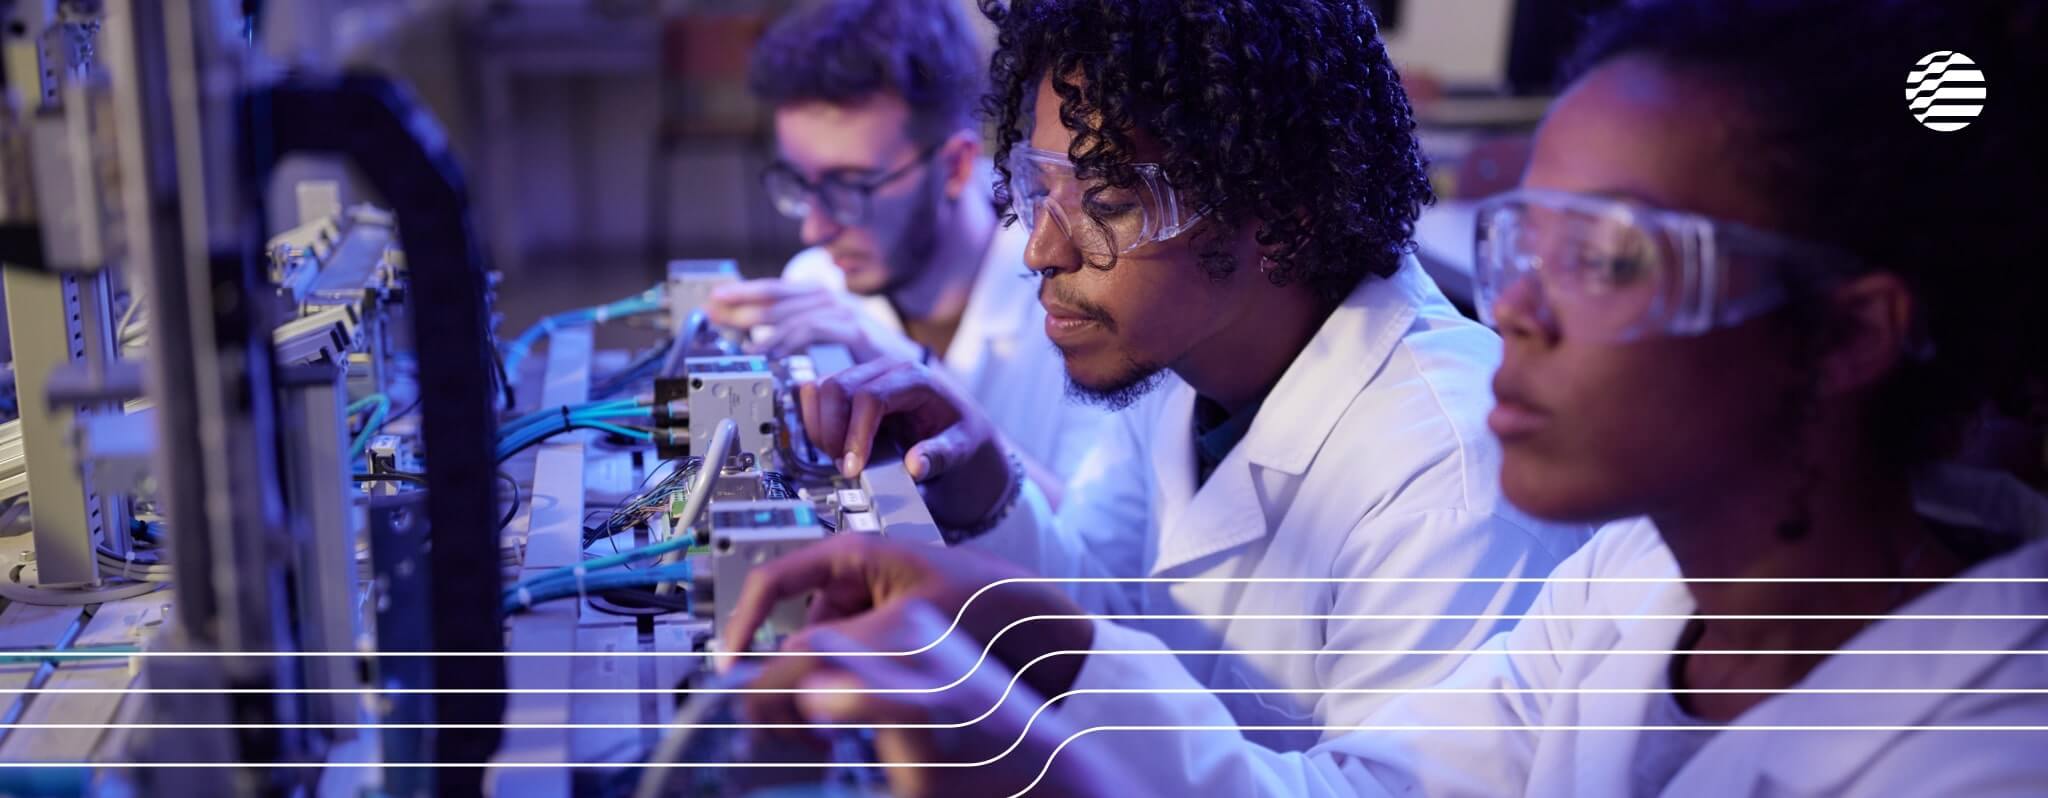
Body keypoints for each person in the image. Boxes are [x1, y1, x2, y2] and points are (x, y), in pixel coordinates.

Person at [712, 0, 2048, 795]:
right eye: (1523, 241)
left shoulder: (1984, 757)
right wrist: (1017, 617)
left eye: (1608, 258)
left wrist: (1045, 755)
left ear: (1851, 335)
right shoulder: (1640, 588)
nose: (1514, 304)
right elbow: (1339, 788)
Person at [722, 0, 1589, 760]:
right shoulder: (1187, 361)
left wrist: (1037, 681)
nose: (1041, 251)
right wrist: (987, 486)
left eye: (1107, 204)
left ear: (1280, 217)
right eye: (1037, 189)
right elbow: (1119, 601)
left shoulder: (1448, 471)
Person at [706, 0, 1105, 504]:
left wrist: (902, 365)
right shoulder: (819, 286)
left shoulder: (1078, 300)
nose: (814, 228)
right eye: (799, 185)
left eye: (849, 187)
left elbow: (1098, 552)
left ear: (956, 167)